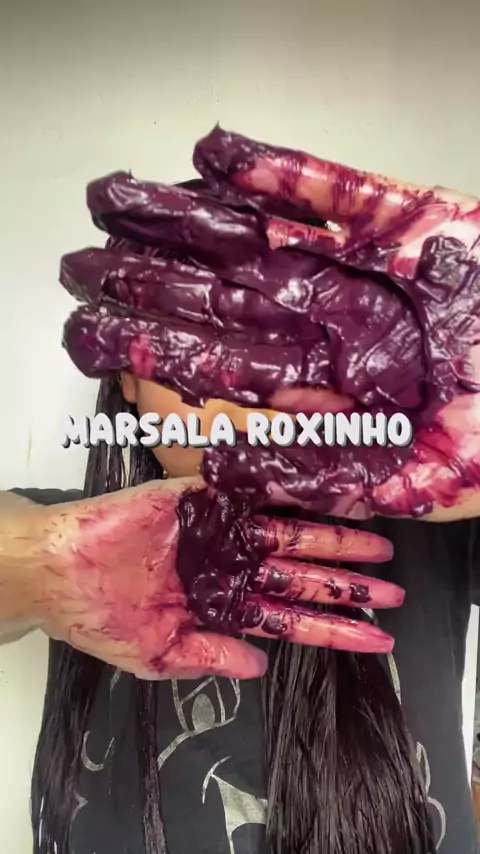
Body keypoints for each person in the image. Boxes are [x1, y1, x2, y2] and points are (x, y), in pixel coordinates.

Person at [2, 134, 480, 854]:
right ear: (127, 381)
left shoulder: (437, 539)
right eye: (195, 344)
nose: (246, 391)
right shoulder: (73, 532)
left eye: (282, 343)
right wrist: (35, 567)